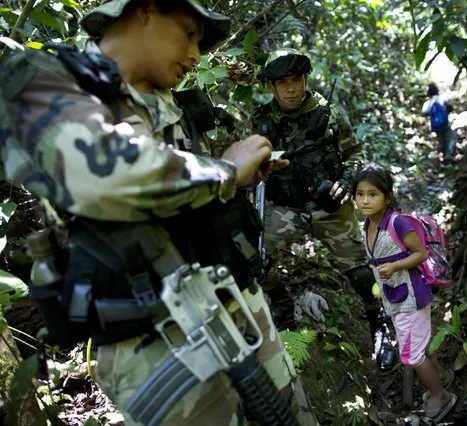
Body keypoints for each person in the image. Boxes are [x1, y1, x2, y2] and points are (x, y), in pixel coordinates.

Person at [0, 0, 318, 424]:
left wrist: (233, 180)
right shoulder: (42, 79)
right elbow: (102, 175)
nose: (196, 55)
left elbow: (175, 197)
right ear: (146, 9)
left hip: (229, 302)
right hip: (153, 341)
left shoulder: (167, 101)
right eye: (188, 33)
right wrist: (222, 170)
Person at [250, 48, 397, 370]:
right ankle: (281, 303)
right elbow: (248, 166)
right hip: (284, 207)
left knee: (359, 269)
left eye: (296, 81)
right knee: (256, 258)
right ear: (271, 87)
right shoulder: (260, 120)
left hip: (328, 206)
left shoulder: (329, 114)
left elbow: (354, 154)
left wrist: (344, 183)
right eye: (282, 83)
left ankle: (379, 323)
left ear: (305, 80)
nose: (290, 89)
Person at [353, 163, 457, 422]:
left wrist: (395, 266)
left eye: (373, 194)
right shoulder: (367, 225)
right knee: (416, 344)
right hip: (395, 299)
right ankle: (441, 375)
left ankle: (439, 394)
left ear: (387, 197)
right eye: (360, 194)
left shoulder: (398, 223)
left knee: (410, 354)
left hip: (412, 298)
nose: (365, 200)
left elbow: (420, 253)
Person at [421, 83, 457, 162]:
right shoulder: (443, 98)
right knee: (451, 137)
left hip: (435, 126)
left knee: (441, 140)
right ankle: (449, 155)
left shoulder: (427, 103)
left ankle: (442, 158)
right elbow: (451, 108)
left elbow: (423, 113)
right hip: (445, 123)